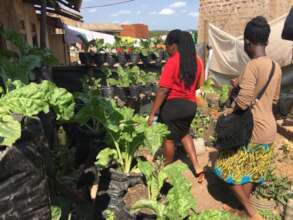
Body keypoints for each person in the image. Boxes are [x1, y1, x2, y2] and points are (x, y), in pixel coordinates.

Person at [214, 16, 282, 220]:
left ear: (247, 42)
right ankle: (243, 207)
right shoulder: (276, 67)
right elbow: (275, 100)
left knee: (224, 168)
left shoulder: (252, 65)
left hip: (250, 130)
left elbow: (243, 102)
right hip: (268, 128)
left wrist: (233, 94)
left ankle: (251, 211)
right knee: (251, 171)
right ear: (267, 41)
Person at [147, 30, 204, 182]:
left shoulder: (173, 61)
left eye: (167, 45)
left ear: (174, 46)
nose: (165, 49)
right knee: (184, 133)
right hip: (190, 106)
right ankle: (197, 166)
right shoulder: (197, 62)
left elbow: (163, 90)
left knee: (169, 139)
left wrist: (153, 113)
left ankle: (165, 167)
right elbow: (199, 85)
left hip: (173, 106)